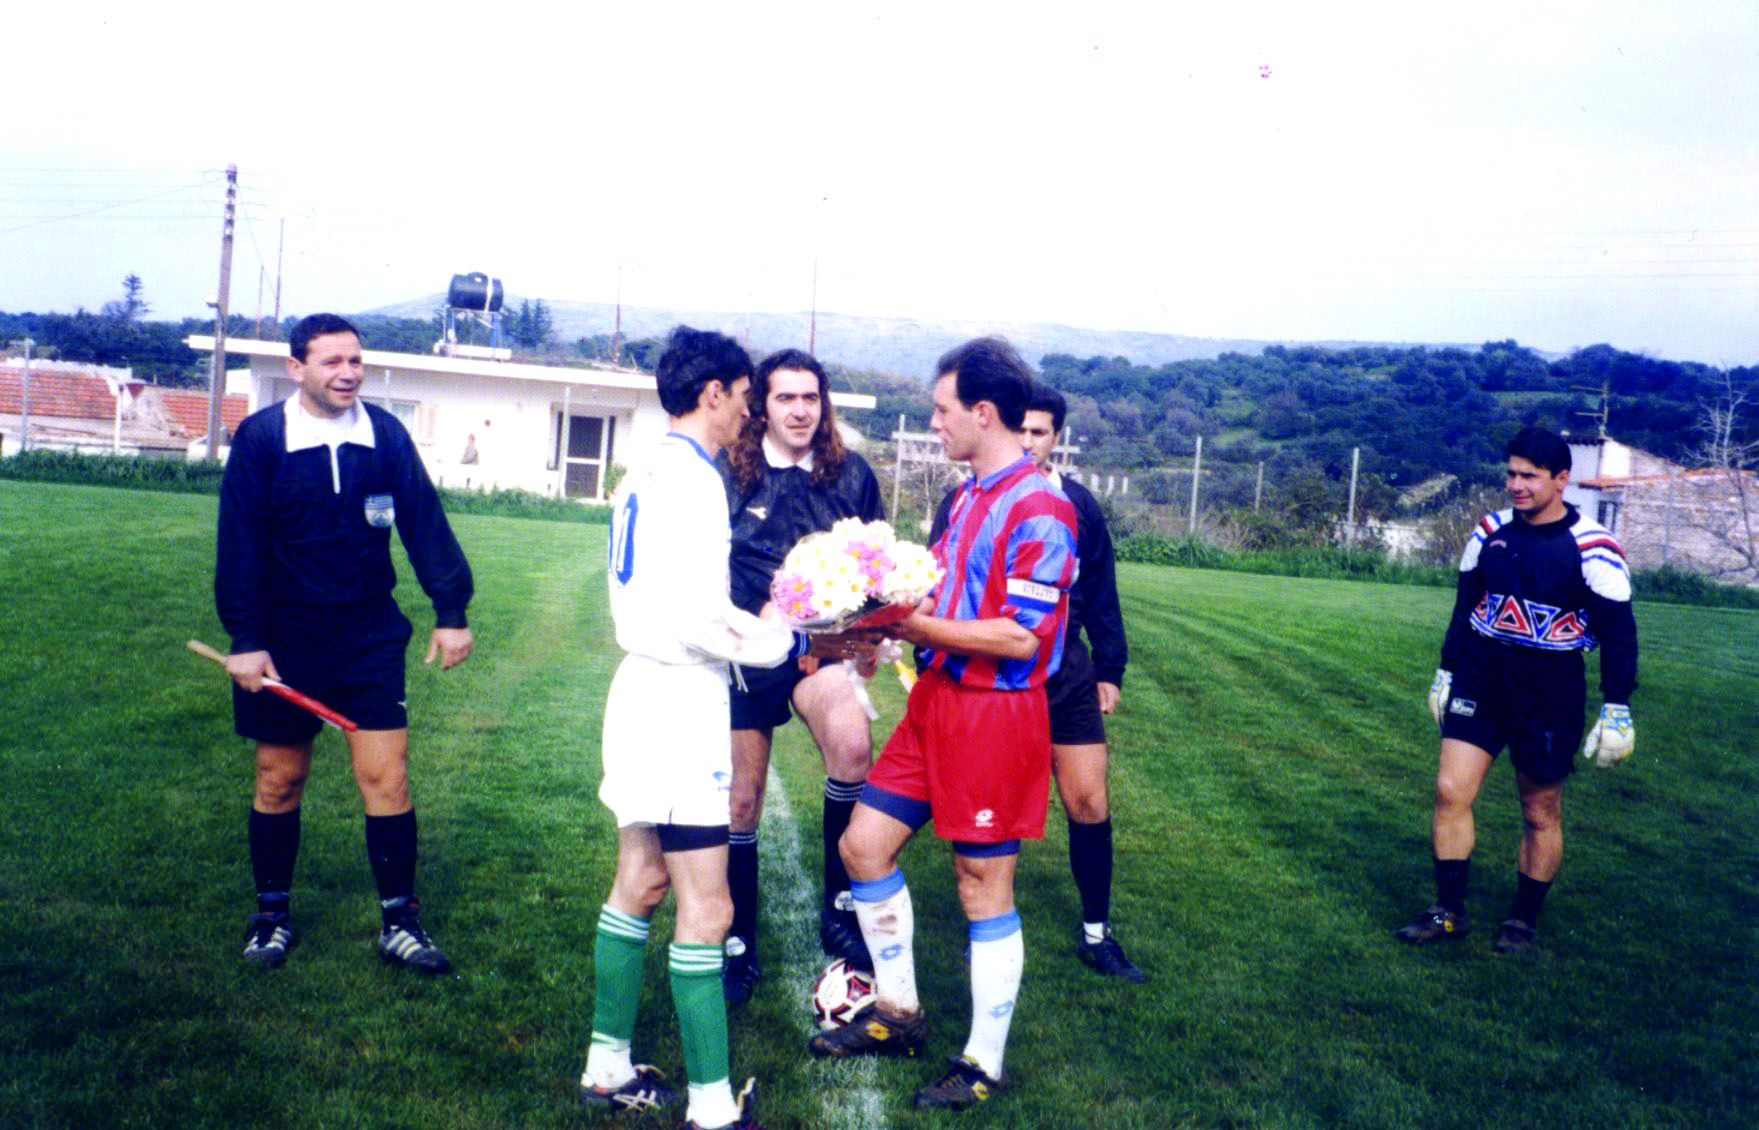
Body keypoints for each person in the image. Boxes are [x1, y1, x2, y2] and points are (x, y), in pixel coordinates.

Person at [580, 326, 866, 1130]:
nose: (750, 410)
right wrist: (796, 642)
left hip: (639, 689)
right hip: (679, 699)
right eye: (744, 395)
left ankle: (605, 1066)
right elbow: (703, 619)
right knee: (707, 909)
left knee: (640, 880)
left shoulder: (646, 468)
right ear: (713, 394)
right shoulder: (695, 479)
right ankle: (711, 1108)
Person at [809, 338, 1077, 1114]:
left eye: (941, 410)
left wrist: (918, 629)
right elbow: (935, 596)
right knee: (862, 846)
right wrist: (874, 626)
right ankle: (898, 1015)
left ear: (982, 412)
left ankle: (982, 1064)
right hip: (934, 704)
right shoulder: (963, 498)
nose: (933, 423)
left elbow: (1021, 637)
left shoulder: (1041, 507)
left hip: (995, 716)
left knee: (980, 882)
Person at [216, 313, 474, 976]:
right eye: (331, 362)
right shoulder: (262, 438)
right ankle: (271, 918)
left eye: (355, 360)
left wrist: (451, 610)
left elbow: (423, 523)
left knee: (387, 778)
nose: (348, 373)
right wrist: (245, 637)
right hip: (284, 639)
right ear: (296, 369)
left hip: (368, 636)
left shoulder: (384, 434)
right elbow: (240, 544)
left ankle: (400, 923)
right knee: (279, 779)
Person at [1397, 426, 1638, 955]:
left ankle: (1522, 920)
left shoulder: (1594, 546)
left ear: (1561, 479)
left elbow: (1620, 635)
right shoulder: (1489, 531)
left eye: (1529, 476)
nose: (1516, 485)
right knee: (1450, 791)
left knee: (1538, 811)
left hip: (1549, 689)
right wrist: (1446, 671)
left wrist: (1617, 706)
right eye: (1510, 474)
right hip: (1482, 677)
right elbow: (1464, 608)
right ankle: (1449, 912)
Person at [931, 382, 1144, 981]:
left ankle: (1096, 933)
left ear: (1056, 438)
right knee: (995, 808)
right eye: (1020, 429)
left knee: (1089, 799)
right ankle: (986, 928)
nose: (1027, 441)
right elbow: (936, 580)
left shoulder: (1073, 503)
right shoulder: (966, 498)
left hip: (1064, 670)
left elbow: (1100, 588)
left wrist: (1110, 668)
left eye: (1039, 432)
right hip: (997, 672)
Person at [719, 348, 886, 1004]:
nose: (798, 410)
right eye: (784, 397)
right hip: (743, 648)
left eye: (809, 398)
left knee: (852, 744)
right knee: (740, 800)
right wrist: (749, 618)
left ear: (824, 405)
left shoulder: (851, 474)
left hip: (821, 646)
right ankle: (737, 940)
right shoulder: (728, 471)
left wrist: (861, 632)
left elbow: (874, 570)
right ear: (761, 406)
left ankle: (840, 908)